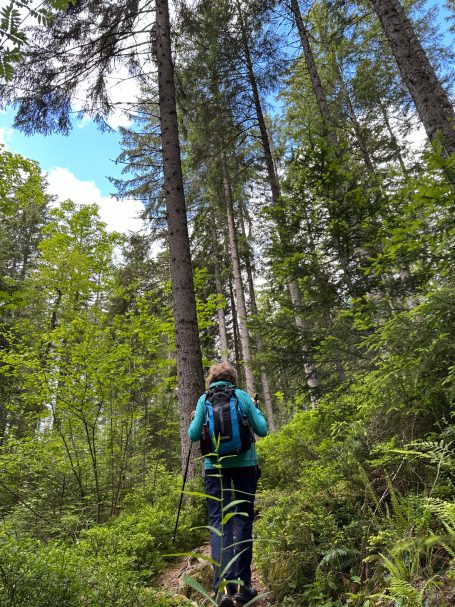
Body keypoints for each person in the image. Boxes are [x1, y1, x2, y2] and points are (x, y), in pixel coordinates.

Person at [188, 362, 268, 607]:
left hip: (215, 468)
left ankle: (223, 587)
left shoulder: (204, 399)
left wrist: (196, 417)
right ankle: (244, 588)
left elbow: (192, 435)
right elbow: (262, 430)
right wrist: (255, 409)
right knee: (243, 521)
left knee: (218, 523)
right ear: (233, 379)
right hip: (245, 465)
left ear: (211, 380)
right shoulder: (242, 396)